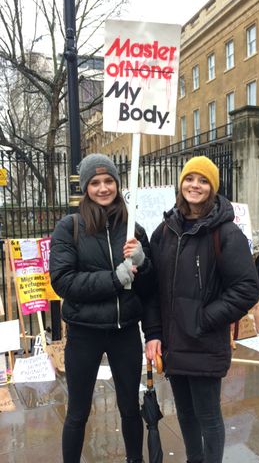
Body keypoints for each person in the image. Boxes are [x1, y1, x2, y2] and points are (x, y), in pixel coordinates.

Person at [146, 155, 259, 463]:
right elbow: (153, 289)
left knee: (208, 416)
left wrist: (204, 318)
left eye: (203, 180)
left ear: (212, 188)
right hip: (173, 344)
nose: (194, 185)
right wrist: (154, 333)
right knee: (184, 413)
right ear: (181, 183)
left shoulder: (226, 233)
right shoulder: (165, 230)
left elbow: (248, 289)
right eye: (189, 178)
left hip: (204, 341)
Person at [49, 153, 158, 463]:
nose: (102, 188)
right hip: (85, 333)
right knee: (78, 411)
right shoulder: (69, 228)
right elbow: (64, 282)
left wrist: (142, 262)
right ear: (85, 188)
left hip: (124, 333)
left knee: (129, 408)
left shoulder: (133, 230)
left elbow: (150, 289)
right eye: (95, 183)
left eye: (108, 181)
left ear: (117, 184)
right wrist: (114, 279)